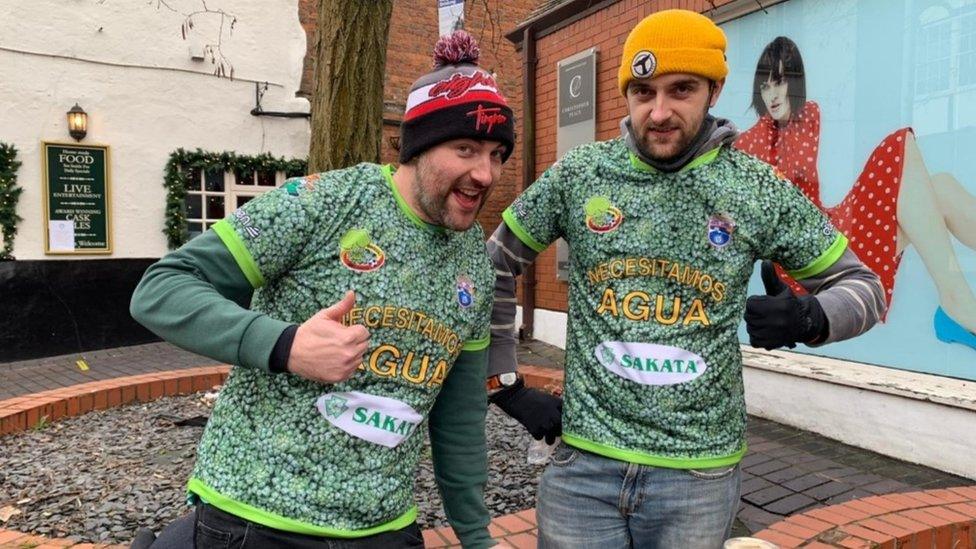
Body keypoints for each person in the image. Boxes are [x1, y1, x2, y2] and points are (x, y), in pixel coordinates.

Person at [486, 10, 887, 548]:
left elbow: (864, 287)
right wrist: (503, 383)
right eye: (643, 91)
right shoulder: (580, 175)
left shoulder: (756, 188)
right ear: (625, 94)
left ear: (714, 89)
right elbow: (492, 265)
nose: (659, 111)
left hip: (698, 477)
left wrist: (813, 316)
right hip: (584, 470)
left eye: (681, 90)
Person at [129, 30, 513, 549]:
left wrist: (476, 536)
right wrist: (284, 345)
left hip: (383, 527)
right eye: (466, 149)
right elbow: (161, 288)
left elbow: (460, 415)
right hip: (256, 518)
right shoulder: (322, 202)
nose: (484, 174)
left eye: (496, 154)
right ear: (417, 146)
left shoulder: (475, 261)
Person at [736, 36, 976, 350]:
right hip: (809, 259)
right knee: (898, 147)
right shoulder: (749, 144)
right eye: (765, 86)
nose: (773, 94)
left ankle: (957, 304)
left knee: (940, 186)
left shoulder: (809, 117)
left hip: (832, 228)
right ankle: (958, 304)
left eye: (779, 81)